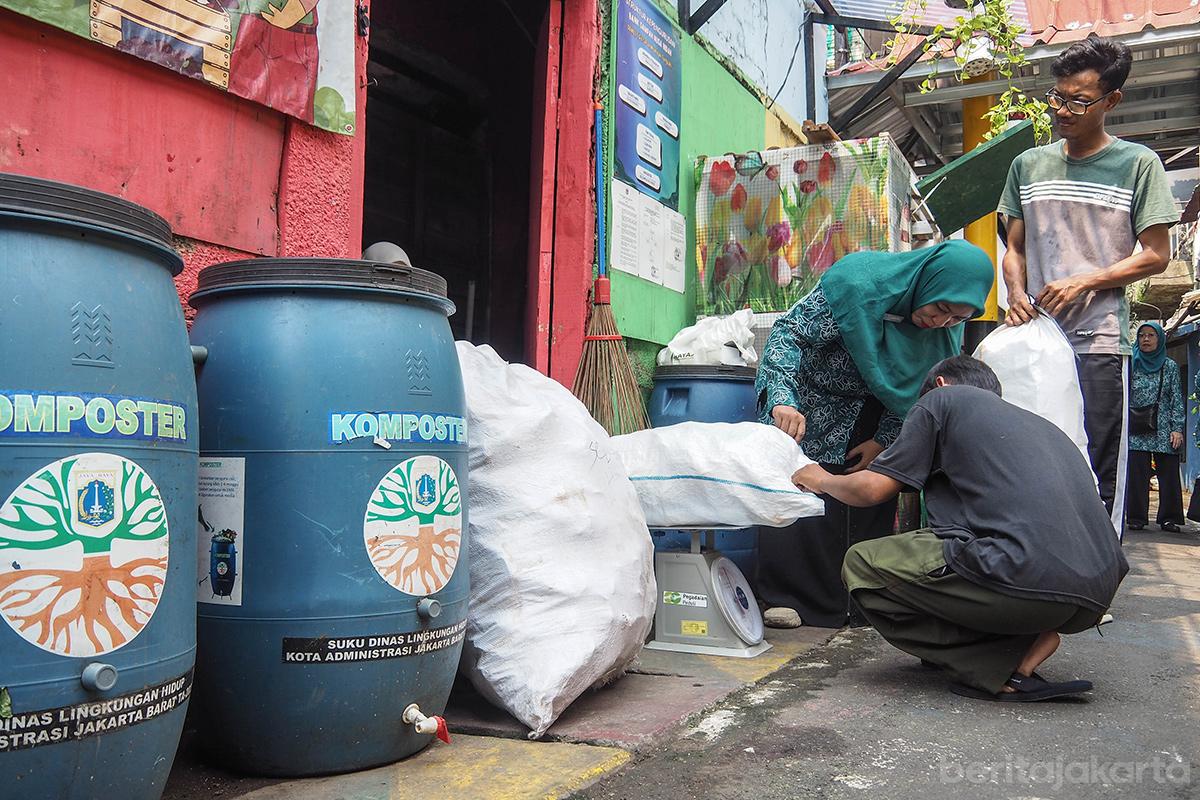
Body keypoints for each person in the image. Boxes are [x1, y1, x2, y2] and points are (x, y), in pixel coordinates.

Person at [793, 356, 1129, 701]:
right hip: (1095, 595)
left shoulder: (943, 401)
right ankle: (1022, 638)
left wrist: (821, 478)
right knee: (946, 548)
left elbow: (872, 490)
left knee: (863, 563)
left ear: (940, 384)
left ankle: (1006, 660)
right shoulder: (1041, 427)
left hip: (1029, 576)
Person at [754, 241, 994, 628]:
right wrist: (783, 400)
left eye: (956, 319)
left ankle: (856, 602)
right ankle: (786, 599)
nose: (942, 323)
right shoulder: (858, 284)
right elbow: (788, 336)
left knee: (865, 499)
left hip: (876, 412)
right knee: (801, 494)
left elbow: (920, 387)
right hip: (807, 403)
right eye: (940, 309)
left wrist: (884, 438)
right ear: (926, 283)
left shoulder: (946, 330)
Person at [998, 34, 1180, 537]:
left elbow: (1155, 255)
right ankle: (1036, 565)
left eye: (1079, 101)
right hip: (1033, 342)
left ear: (1111, 101)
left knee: (1098, 463)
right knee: (1030, 454)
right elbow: (1014, 249)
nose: (1063, 110)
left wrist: (1085, 281)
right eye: (1057, 97)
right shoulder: (1027, 166)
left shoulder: (1138, 165)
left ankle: (1097, 575)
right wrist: (1014, 294)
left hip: (1098, 341)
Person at [1126, 322, 1186, 532]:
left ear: (1159, 339)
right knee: (1136, 474)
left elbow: (1177, 398)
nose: (1146, 339)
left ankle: (1169, 518)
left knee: (1168, 474)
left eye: (1151, 335)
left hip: (1164, 428)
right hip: (1137, 426)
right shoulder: (1131, 363)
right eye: (1142, 335)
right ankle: (1136, 517)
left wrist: (1177, 428)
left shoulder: (1168, 366)